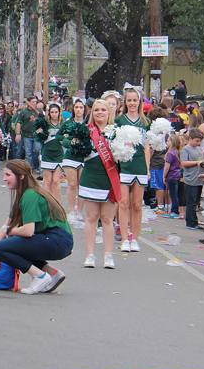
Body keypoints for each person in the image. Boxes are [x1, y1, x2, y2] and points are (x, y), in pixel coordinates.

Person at [0, 160, 73, 294]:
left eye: (8, 175)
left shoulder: (30, 195)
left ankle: (40, 276)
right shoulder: (27, 193)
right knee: (6, 246)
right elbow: (7, 224)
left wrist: (9, 233)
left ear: (21, 176)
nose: (4, 179)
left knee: (2, 248)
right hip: (61, 240)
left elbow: (28, 231)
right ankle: (52, 273)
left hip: (56, 240)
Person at [80, 99, 121, 269]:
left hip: (109, 179)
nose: (99, 113)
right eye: (96, 110)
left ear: (109, 112)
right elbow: (69, 146)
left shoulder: (117, 131)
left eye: (103, 110)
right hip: (90, 178)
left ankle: (108, 256)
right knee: (91, 218)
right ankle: (90, 256)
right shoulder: (86, 130)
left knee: (107, 219)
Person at [115, 87, 151, 252]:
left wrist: (148, 168)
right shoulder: (119, 121)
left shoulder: (146, 122)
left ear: (139, 102)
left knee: (137, 205)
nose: (132, 103)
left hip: (140, 165)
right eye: (129, 100)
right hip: (125, 165)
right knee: (123, 203)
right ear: (125, 102)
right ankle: (124, 239)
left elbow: (147, 147)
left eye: (134, 100)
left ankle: (134, 239)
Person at [60, 98, 87, 220]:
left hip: (83, 157)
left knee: (82, 185)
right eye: (77, 107)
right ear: (73, 109)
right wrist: (68, 141)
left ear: (84, 109)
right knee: (72, 184)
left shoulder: (88, 123)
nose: (79, 110)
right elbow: (59, 136)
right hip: (70, 157)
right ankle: (71, 211)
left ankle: (79, 211)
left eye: (81, 107)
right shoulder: (68, 123)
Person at [180, 128, 204, 231]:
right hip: (190, 179)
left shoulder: (199, 149)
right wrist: (196, 163)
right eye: (196, 141)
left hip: (199, 179)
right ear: (190, 138)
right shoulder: (185, 149)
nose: (198, 143)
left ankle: (194, 220)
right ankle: (191, 222)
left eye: (199, 141)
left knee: (196, 202)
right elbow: (184, 163)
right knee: (191, 202)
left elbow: (201, 161)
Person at [38, 102, 64, 202]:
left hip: (59, 154)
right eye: (52, 112)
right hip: (47, 153)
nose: (54, 114)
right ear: (49, 113)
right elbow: (37, 136)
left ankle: (56, 203)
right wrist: (38, 132)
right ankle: (47, 201)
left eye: (56, 112)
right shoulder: (45, 124)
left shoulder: (62, 124)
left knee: (56, 181)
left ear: (59, 113)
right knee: (48, 180)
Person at [14, 95, 42, 173]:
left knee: (36, 150)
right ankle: (29, 168)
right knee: (28, 152)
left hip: (37, 135)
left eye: (35, 102)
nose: (34, 103)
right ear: (29, 103)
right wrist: (17, 134)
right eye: (33, 102)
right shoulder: (23, 112)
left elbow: (43, 122)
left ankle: (36, 166)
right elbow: (19, 122)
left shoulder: (38, 111)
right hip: (26, 135)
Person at [163, 133, 184, 219]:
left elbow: (167, 166)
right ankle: (175, 209)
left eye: (168, 141)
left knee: (173, 194)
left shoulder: (170, 153)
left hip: (171, 175)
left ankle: (175, 210)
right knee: (176, 193)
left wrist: (164, 176)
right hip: (178, 174)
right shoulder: (178, 152)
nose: (166, 143)